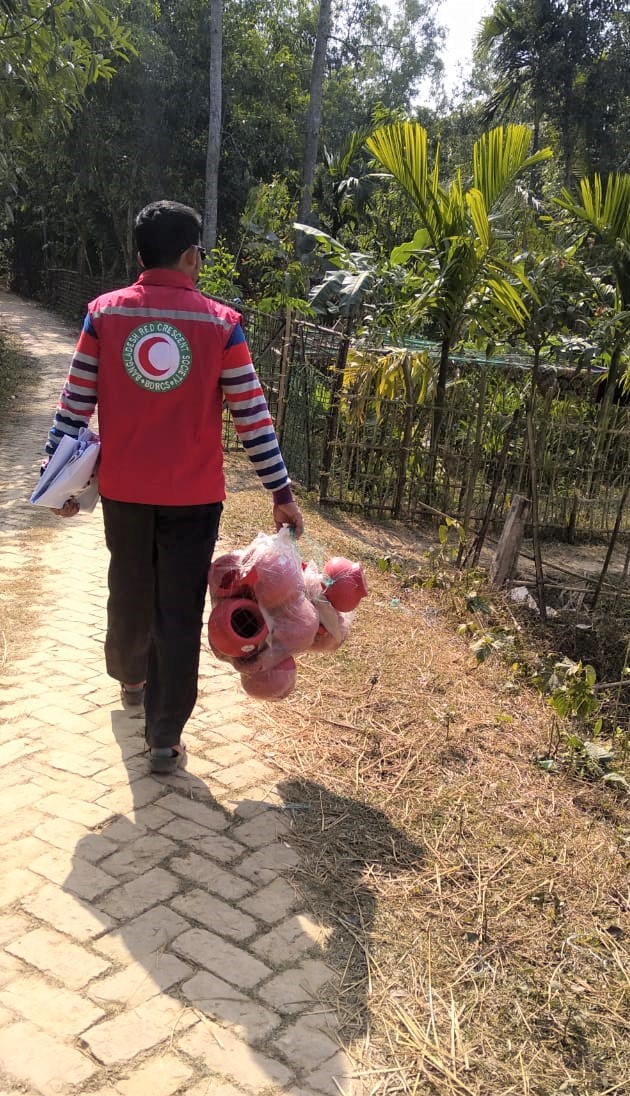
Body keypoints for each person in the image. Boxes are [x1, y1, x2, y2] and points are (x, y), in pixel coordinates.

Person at [44, 199, 304, 774]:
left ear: (140, 255)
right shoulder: (221, 324)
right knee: (179, 610)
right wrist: (280, 490)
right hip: (193, 497)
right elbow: (252, 415)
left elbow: (73, 404)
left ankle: (130, 675)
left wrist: (56, 481)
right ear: (191, 255)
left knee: (129, 585)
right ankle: (163, 737)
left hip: (124, 492)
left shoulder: (103, 316)